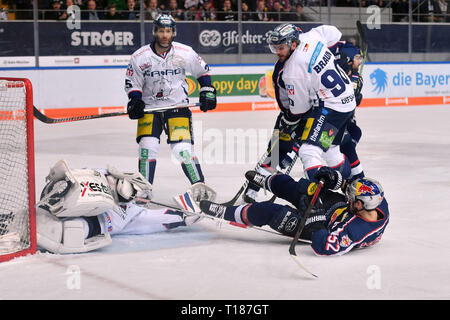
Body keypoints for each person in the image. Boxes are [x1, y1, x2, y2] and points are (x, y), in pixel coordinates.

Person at [124, 14, 217, 202]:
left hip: (178, 106)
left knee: (182, 149)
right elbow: (132, 83)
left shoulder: (185, 52)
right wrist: (135, 100)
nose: (164, 35)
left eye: (168, 31)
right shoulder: (140, 57)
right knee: (146, 148)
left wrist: (207, 90)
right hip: (150, 109)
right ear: (155, 31)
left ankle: (200, 187)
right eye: (161, 31)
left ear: (173, 32)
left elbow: (203, 72)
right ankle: (144, 191)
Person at [200, 166, 389, 256]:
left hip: (320, 225)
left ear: (360, 205)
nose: (350, 196)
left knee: (270, 211)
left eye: (352, 197)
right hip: (334, 208)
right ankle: (267, 181)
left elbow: (325, 246)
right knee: (304, 188)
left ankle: (224, 212)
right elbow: (350, 186)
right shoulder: (377, 203)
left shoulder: (356, 231)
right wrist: (336, 179)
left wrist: (315, 218)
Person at [36, 160, 202, 254]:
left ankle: (184, 212)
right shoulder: (101, 174)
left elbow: (152, 220)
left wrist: (181, 217)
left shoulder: (127, 214)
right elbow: (81, 174)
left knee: (73, 230)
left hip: (99, 220)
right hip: (75, 204)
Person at [268, 23, 356, 182]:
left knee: (308, 151)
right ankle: (350, 184)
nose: (278, 52)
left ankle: (316, 198)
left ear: (293, 44)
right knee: (331, 151)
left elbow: (300, 108)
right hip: (347, 101)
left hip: (331, 108)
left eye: (281, 48)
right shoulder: (313, 36)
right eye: (275, 48)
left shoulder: (291, 72)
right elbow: (335, 32)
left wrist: (289, 122)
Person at [331, 40, 365, 180]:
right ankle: (353, 175)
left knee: (355, 133)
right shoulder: (337, 76)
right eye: (357, 58)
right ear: (349, 60)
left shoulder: (357, 78)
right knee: (348, 141)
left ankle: (345, 164)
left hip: (344, 121)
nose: (360, 62)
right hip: (331, 123)